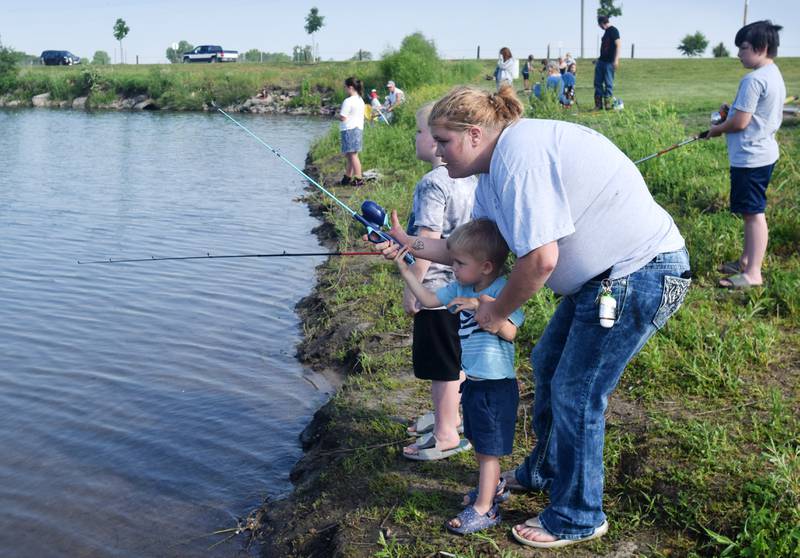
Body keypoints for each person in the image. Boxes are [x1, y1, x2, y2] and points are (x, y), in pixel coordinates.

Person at [372, 85, 690, 548]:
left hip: (638, 274)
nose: (436, 152)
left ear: (475, 134)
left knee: (577, 392)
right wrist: (405, 242)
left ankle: (579, 515)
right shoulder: (491, 172)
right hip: (597, 284)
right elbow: (470, 248)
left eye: (443, 141)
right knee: (547, 365)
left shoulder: (518, 158)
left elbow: (540, 259)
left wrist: (495, 311)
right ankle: (545, 470)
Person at [392, 219, 524, 535]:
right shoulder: (459, 286)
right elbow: (427, 300)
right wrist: (405, 270)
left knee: (488, 451)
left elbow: (511, 332)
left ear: (486, 267)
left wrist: (481, 305)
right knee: (480, 443)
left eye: (460, 263)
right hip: (475, 385)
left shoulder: (503, 291)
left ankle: (485, 508)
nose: (452, 267)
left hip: (496, 387)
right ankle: (492, 488)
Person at [402, 103, 478, 461]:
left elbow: (428, 239)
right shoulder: (471, 178)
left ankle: (447, 434)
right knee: (455, 358)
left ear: (435, 143)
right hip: (466, 285)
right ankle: (451, 416)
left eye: (419, 132)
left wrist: (412, 288)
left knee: (442, 367)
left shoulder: (432, 184)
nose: (415, 138)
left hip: (435, 288)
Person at [706, 20, 785, 290]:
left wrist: (717, 129)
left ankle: (753, 273)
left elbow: (739, 123)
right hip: (764, 153)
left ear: (761, 48)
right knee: (752, 211)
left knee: (754, 214)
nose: (739, 53)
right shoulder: (773, 73)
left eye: (744, 48)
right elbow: (748, 115)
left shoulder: (752, 80)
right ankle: (745, 261)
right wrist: (731, 110)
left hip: (751, 158)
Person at [338, 77, 365, 186]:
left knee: (353, 155)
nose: (344, 89)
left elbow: (343, 117)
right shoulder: (360, 100)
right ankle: (348, 176)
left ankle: (358, 178)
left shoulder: (348, 101)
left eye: (345, 87)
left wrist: (336, 115)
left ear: (350, 87)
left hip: (349, 129)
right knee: (350, 155)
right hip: (357, 128)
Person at [595, 15, 620, 110]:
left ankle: (607, 104)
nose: (599, 27)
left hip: (609, 63)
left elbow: (618, 45)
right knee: (597, 83)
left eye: (599, 25)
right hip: (601, 62)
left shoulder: (613, 30)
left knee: (608, 83)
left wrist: (616, 60)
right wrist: (598, 59)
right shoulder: (605, 33)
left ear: (602, 23)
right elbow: (605, 49)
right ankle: (598, 105)